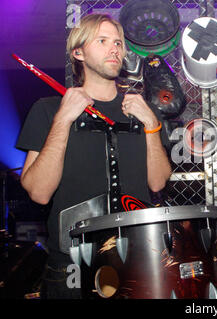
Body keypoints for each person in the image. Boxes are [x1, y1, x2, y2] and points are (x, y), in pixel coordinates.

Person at [15, 14, 172, 299]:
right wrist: (63, 119)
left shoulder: (143, 110)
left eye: (118, 43)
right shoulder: (49, 109)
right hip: (72, 265)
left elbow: (158, 181)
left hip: (137, 260)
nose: (115, 49)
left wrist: (151, 124)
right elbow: (38, 192)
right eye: (102, 41)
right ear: (78, 52)